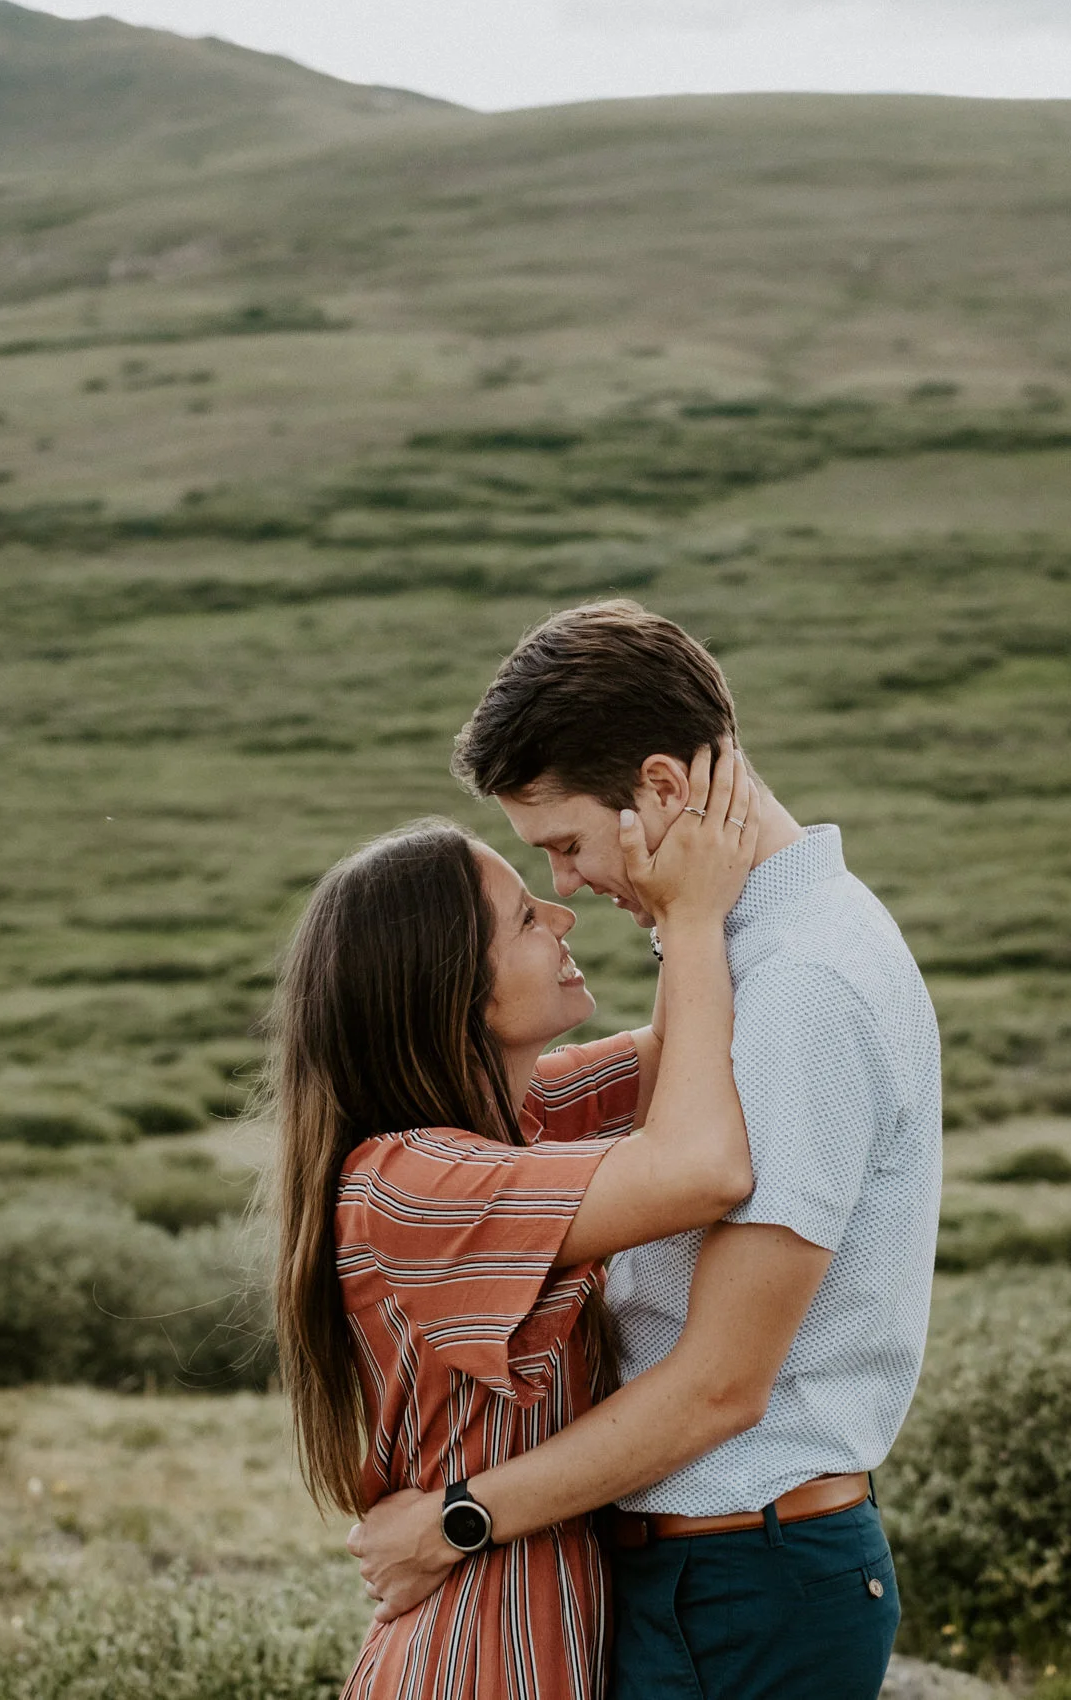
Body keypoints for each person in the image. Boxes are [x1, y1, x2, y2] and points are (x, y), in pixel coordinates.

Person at [349, 600, 944, 1700]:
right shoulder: (753, 959)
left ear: (663, 791)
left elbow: (721, 1384)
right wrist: (692, 928)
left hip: (741, 1578)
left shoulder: (800, 990)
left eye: (565, 845)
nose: (567, 887)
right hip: (700, 1570)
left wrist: (455, 1523)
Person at [272, 748, 765, 1699]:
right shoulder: (408, 1181)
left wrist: (674, 878)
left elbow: (686, 1058)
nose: (562, 914)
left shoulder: (524, 1117)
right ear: (453, 985)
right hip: (481, 1658)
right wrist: (692, 918)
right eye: (526, 921)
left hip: (538, 1635)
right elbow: (703, 1166)